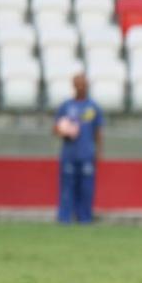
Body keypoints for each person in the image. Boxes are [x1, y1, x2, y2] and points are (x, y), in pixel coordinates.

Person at [54, 73, 103, 224]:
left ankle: (85, 218)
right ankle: (65, 218)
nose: (81, 87)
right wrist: (63, 130)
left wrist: (98, 151)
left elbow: (98, 131)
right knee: (67, 188)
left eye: (83, 84)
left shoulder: (93, 107)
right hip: (69, 153)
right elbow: (55, 128)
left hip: (87, 153)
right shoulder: (66, 106)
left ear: (87, 86)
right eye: (78, 84)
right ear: (73, 85)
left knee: (86, 189)